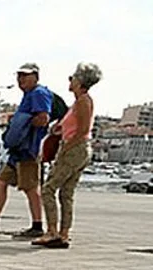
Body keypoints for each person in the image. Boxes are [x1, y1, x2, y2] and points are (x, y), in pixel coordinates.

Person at [0, 63, 52, 238]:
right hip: (18, 151)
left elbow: (44, 118)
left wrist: (22, 123)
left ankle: (37, 225)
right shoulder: (29, 95)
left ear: (36, 77)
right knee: (1, 182)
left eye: (25, 76)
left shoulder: (39, 93)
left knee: (30, 187)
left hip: (28, 149)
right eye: (19, 75)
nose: (21, 79)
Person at [32, 62, 101, 249]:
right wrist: (58, 129)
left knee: (48, 189)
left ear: (80, 81)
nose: (69, 81)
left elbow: (83, 130)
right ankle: (63, 233)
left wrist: (65, 148)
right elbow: (72, 126)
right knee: (66, 193)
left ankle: (52, 231)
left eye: (73, 78)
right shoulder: (79, 102)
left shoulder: (83, 101)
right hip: (78, 149)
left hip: (74, 149)